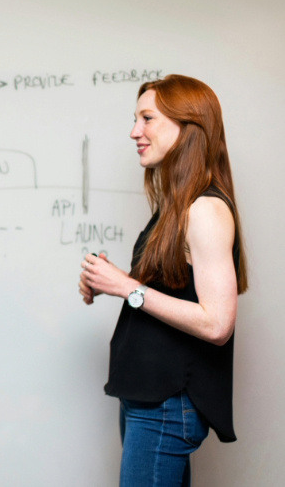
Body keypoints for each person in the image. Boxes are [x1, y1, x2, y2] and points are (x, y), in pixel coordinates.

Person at [78, 75, 247, 486]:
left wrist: (125, 286)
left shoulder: (204, 210)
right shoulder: (177, 206)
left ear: (188, 126)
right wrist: (109, 281)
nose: (135, 132)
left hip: (167, 404)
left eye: (147, 118)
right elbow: (167, 292)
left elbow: (217, 324)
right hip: (150, 399)